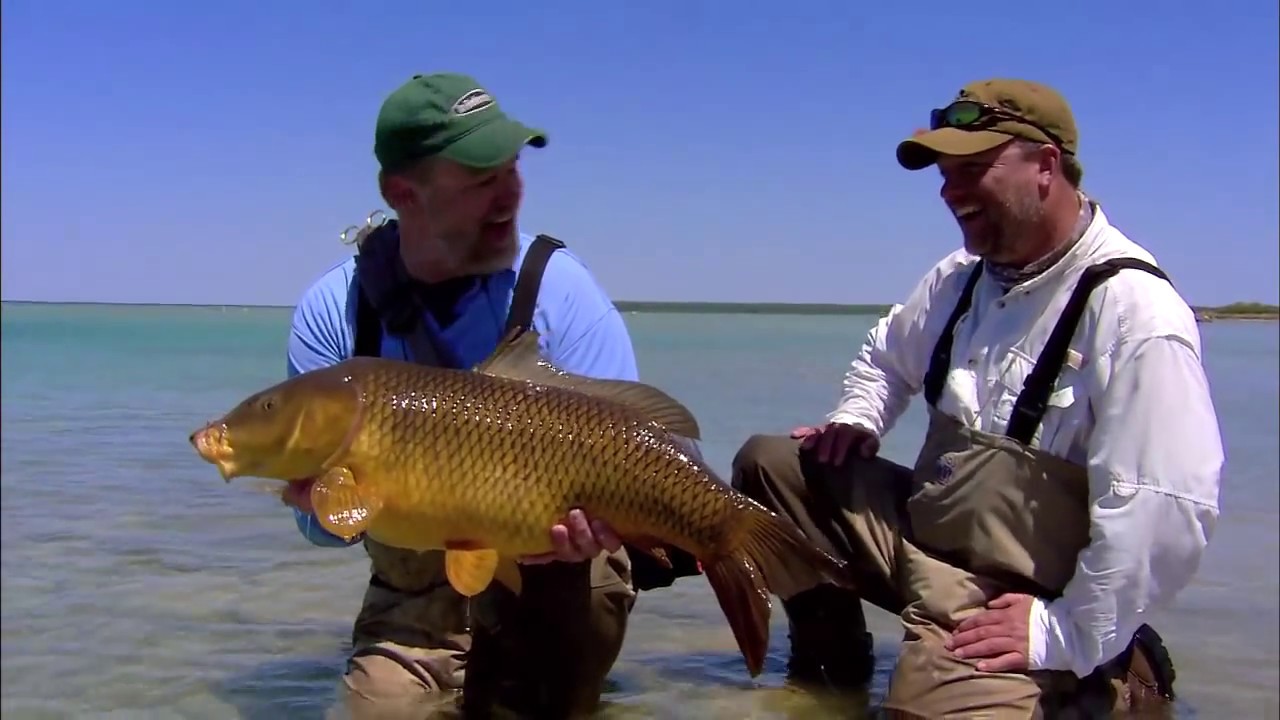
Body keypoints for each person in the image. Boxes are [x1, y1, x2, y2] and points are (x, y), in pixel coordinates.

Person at [730, 78, 1223, 717]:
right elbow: (885, 359)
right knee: (772, 467)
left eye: (972, 169)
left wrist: (1065, 632)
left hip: (1013, 596)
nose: (949, 191)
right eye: (944, 174)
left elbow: (1166, 513)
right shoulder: (958, 279)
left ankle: (1107, 667)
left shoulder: (1134, 312)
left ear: (1046, 165)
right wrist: (858, 418)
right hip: (923, 542)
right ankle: (832, 677)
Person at [280, 71, 695, 719]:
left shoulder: (559, 289)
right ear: (402, 193)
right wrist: (325, 504)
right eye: (480, 179)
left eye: (512, 169)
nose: (509, 195)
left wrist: (615, 532)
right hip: (414, 592)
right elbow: (322, 532)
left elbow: (656, 454)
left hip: (559, 573)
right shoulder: (336, 312)